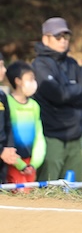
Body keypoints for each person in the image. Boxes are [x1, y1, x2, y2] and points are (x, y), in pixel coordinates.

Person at [31, 17, 82, 182]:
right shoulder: (39, 65)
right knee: (49, 187)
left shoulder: (72, 64)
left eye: (66, 36)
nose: (63, 41)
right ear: (45, 39)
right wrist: (73, 90)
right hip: (51, 135)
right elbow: (57, 94)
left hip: (76, 135)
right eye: (58, 36)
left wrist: (67, 91)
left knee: (75, 188)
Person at [5, 61, 46, 192]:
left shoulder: (34, 105)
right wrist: (20, 164)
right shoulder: (7, 103)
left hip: (30, 164)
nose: (34, 83)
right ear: (18, 81)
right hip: (12, 162)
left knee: (29, 195)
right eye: (30, 79)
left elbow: (39, 136)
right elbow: (5, 136)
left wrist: (34, 163)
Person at [1, 53, 23, 184]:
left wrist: (9, 148)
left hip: (3, 158)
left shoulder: (2, 95)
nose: (4, 70)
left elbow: (8, 124)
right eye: (0, 66)